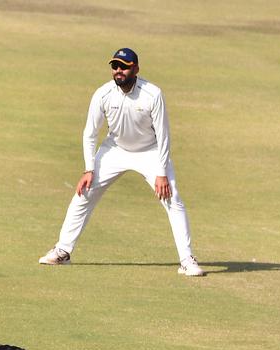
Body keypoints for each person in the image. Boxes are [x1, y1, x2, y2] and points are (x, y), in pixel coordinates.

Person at [40, 47, 204, 277]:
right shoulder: (103, 94)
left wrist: (161, 172)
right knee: (84, 195)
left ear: (135, 69)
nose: (119, 71)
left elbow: (164, 135)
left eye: (124, 67)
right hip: (114, 149)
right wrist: (89, 169)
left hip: (150, 151)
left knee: (173, 198)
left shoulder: (153, 94)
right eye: (115, 66)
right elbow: (90, 132)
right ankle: (63, 251)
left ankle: (187, 260)